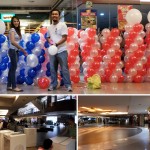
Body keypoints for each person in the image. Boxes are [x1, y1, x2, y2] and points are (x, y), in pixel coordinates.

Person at [46, 9, 72, 92]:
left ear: (59, 15)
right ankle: (53, 85)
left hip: (62, 50)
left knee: (64, 69)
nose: (54, 15)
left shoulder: (62, 25)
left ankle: (68, 85)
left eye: (56, 14)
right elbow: (48, 37)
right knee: (53, 69)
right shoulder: (49, 27)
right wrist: (49, 41)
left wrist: (56, 44)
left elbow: (65, 38)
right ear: (51, 16)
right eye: (53, 14)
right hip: (52, 51)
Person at [7, 16, 28, 92]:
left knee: (12, 68)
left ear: (19, 22)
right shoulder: (12, 30)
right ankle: (14, 87)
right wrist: (22, 49)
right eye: (14, 21)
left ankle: (9, 85)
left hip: (15, 51)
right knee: (13, 69)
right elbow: (12, 41)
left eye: (17, 21)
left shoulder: (17, 30)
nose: (16, 22)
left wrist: (19, 49)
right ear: (12, 23)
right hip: (12, 50)